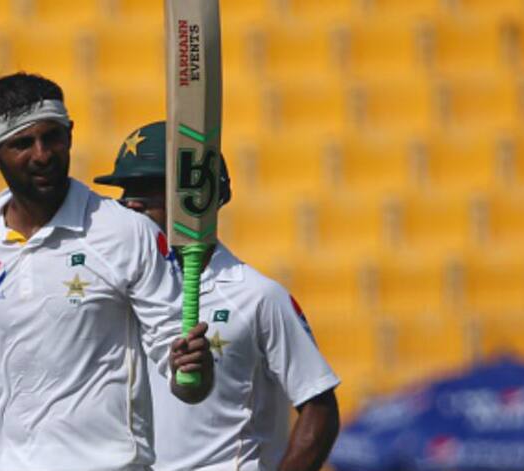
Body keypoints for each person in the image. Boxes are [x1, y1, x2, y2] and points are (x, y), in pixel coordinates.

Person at [0, 75, 214, 471]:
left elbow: (186, 378)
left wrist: (194, 369)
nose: (42, 155)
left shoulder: (127, 232)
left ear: (70, 135)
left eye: (53, 137)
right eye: (23, 144)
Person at [94, 121, 341, 471]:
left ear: (200, 197)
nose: (132, 204)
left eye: (150, 189)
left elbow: (320, 409)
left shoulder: (256, 297)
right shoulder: (118, 294)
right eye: (126, 191)